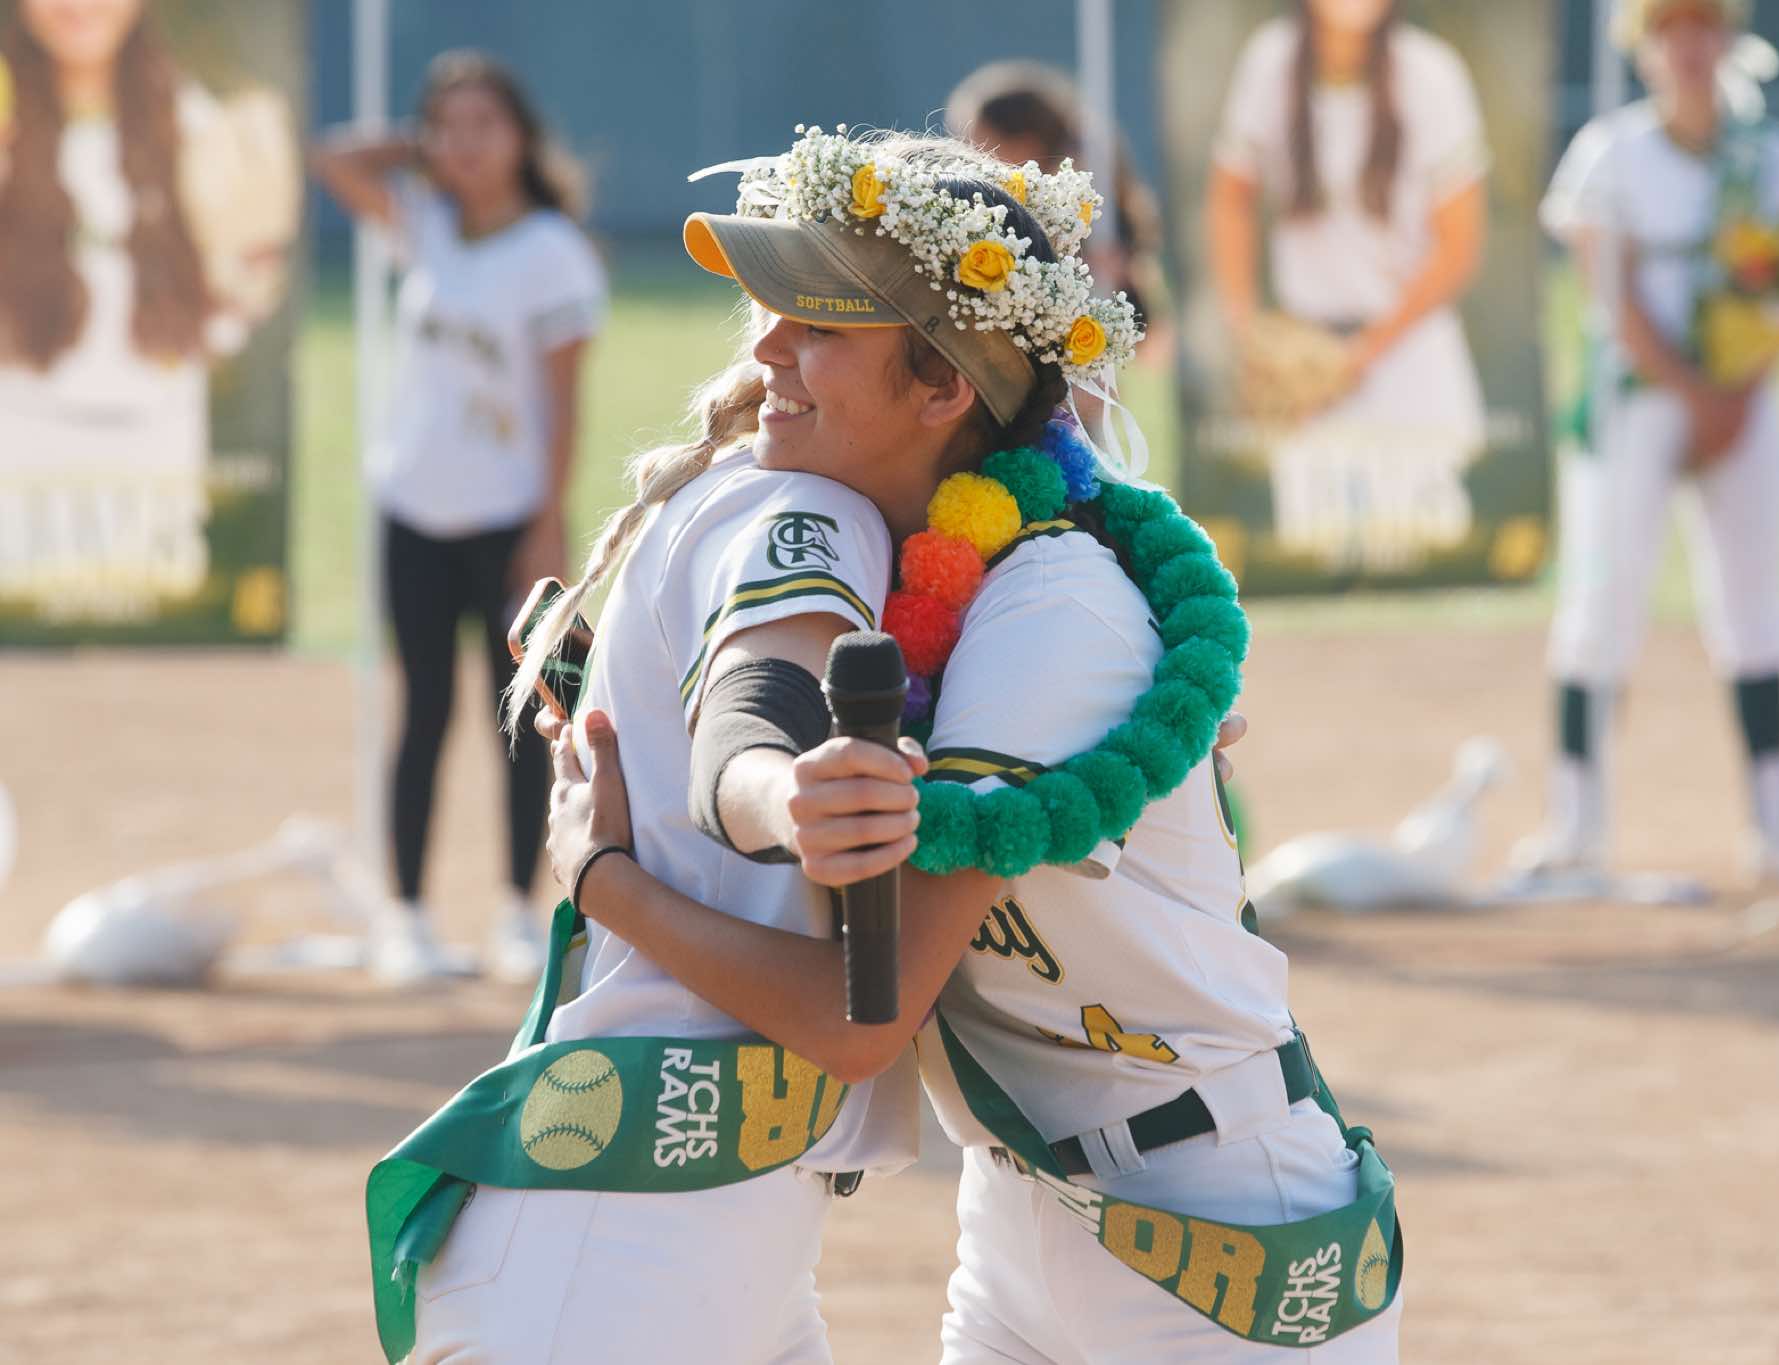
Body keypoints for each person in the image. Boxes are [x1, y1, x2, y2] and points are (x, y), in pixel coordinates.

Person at [533, 128, 1404, 1361]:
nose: (765, 349)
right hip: (1022, 1209)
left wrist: (601, 877)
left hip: (1217, 1219)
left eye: (816, 323)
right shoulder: (912, 572)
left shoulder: (1050, 608)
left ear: (943, 389)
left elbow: (854, 1021)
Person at [1514, 0, 1779, 890]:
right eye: (1669, 30)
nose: (1689, 47)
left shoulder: (1770, 153)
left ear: (1728, 40)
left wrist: (1739, 391)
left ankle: (1776, 823)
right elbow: (1605, 289)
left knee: (1754, 605)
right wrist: (1694, 393)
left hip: (1744, 401)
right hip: (1637, 402)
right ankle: (1575, 825)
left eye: (1704, 27)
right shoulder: (1611, 150)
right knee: (1602, 610)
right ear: (1645, 49)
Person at [312, 51, 605, 983]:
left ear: (522, 136)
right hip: (412, 509)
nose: (466, 143)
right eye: (449, 126)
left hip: (509, 517)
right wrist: (422, 148)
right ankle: (406, 914)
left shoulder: (553, 252)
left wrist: (548, 522)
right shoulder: (428, 225)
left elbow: (563, 402)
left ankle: (518, 909)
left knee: (519, 713)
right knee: (424, 711)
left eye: (486, 124)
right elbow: (332, 158)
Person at [0, 0, 295, 618]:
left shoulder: (198, 126)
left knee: (145, 634)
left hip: (151, 458)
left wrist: (243, 276)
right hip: (18, 449)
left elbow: (237, 305)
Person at [1207, 0, 1490, 574]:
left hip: (1409, 354)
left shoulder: (1430, 72)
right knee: (1319, 556)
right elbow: (1231, 196)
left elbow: (1459, 246)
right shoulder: (1271, 61)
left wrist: (1361, 355)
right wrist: (1247, 330)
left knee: (1418, 559)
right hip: (1305, 354)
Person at [946, 59, 1170, 344]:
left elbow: (1150, 333)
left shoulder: (1086, 210)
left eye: (979, 145)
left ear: (1025, 144)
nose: (972, 161)